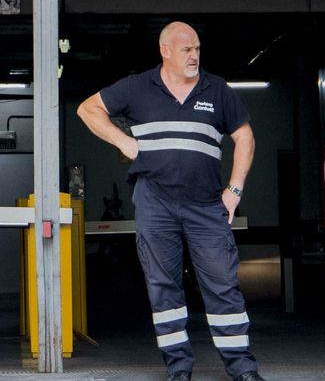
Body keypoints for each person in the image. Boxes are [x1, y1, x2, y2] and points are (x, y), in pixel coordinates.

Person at [77, 22, 264, 381]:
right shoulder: (137, 87)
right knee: (163, 288)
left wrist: (235, 189)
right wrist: (124, 142)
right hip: (154, 201)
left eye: (197, 49)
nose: (194, 56)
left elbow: (245, 137)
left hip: (207, 203)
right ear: (165, 52)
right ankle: (179, 369)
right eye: (186, 50)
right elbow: (87, 109)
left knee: (222, 285)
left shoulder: (218, 89)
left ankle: (243, 370)